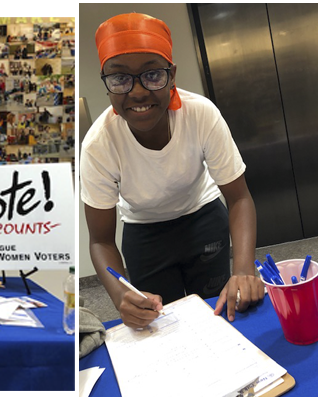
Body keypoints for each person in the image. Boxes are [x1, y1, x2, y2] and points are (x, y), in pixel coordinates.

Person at [80, 13, 263, 329]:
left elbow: (239, 198)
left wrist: (244, 269)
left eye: (152, 74)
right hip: (144, 232)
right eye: (120, 78)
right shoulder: (99, 144)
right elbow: (100, 241)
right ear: (106, 83)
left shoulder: (201, 115)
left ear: (172, 75)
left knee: (220, 316)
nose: (137, 92)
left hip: (203, 217)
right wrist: (120, 294)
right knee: (158, 325)